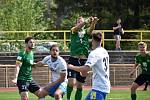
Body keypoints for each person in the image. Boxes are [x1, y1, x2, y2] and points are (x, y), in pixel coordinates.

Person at [68, 32, 111, 100]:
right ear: (101, 41)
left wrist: (71, 67)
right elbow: (102, 69)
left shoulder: (94, 53)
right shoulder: (104, 51)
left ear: (92, 40)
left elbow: (85, 68)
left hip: (98, 88)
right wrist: (90, 73)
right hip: (102, 86)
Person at [67, 16, 99, 100]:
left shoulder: (86, 32)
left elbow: (91, 29)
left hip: (84, 60)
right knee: (71, 83)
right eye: (78, 21)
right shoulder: (73, 30)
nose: (80, 23)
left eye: (81, 21)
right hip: (73, 59)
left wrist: (94, 22)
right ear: (76, 23)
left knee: (80, 86)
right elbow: (77, 27)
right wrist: (85, 21)